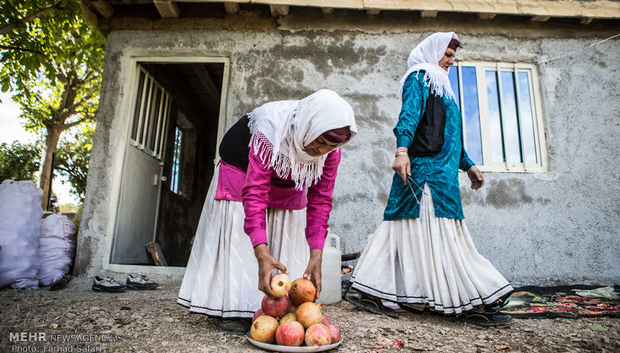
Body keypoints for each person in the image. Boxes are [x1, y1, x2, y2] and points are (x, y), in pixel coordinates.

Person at [345, 32, 513, 326]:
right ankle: (464, 299)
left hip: (444, 174)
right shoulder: (420, 77)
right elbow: (408, 117)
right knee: (428, 231)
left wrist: (468, 164)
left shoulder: (443, 86)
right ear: (432, 52)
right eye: (447, 55)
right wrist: (401, 151)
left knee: (408, 230)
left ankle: (378, 291)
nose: (451, 61)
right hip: (423, 174)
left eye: (453, 57)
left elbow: (452, 135)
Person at [178, 89, 357, 333]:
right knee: (244, 238)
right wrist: (261, 251)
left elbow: (321, 198)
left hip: (289, 175)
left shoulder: (331, 151)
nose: (321, 150)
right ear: (308, 127)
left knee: (289, 225)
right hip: (242, 169)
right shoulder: (270, 127)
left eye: (330, 146)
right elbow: (255, 191)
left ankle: (277, 309)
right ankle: (235, 309)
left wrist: (317, 251)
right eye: (319, 140)